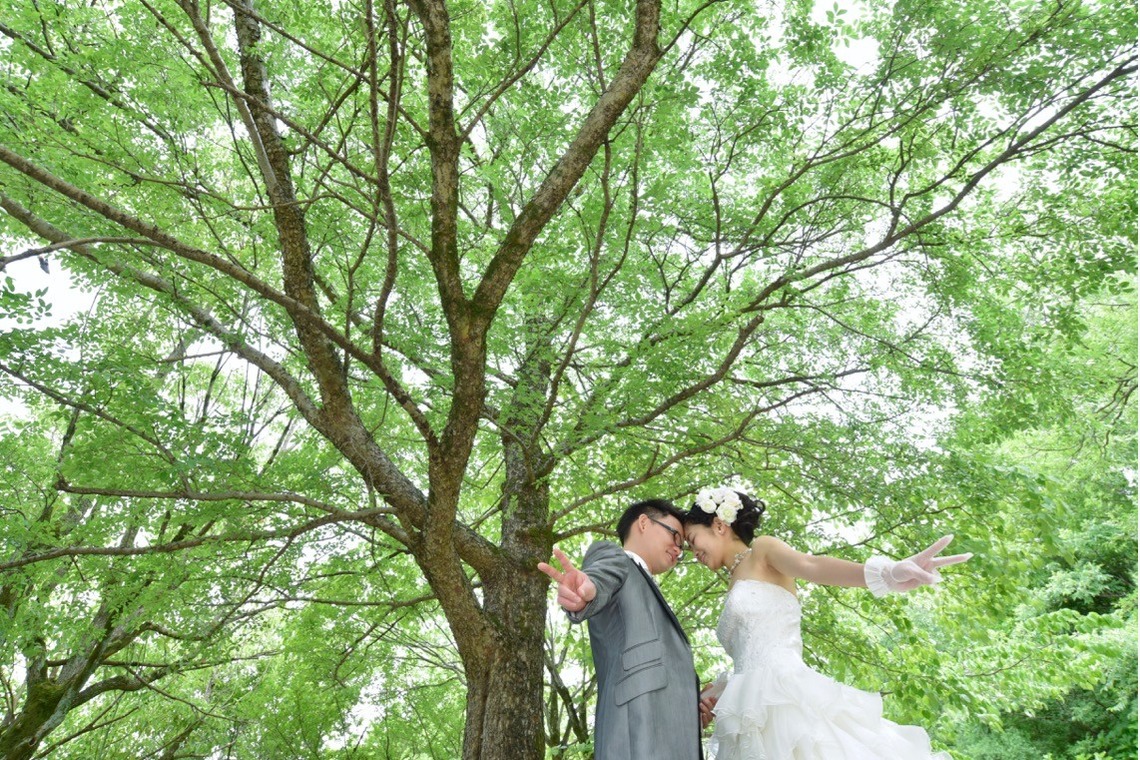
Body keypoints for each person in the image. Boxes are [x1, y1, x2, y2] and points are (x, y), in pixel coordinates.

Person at [682, 486, 970, 760]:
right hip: (754, 708)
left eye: (693, 540)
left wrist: (887, 574)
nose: (694, 554)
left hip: (786, 697)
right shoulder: (733, 581)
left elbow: (812, 565)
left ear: (719, 525)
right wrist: (715, 695)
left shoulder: (762, 550)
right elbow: (750, 653)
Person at [538, 499, 711, 759]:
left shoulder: (652, 593)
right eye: (675, 537)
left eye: (683, 547)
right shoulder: (614, 556)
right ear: (643, 522)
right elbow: (600, 578)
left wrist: (689, 705)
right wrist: (585, 592)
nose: (678, 550)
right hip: (635, 733)